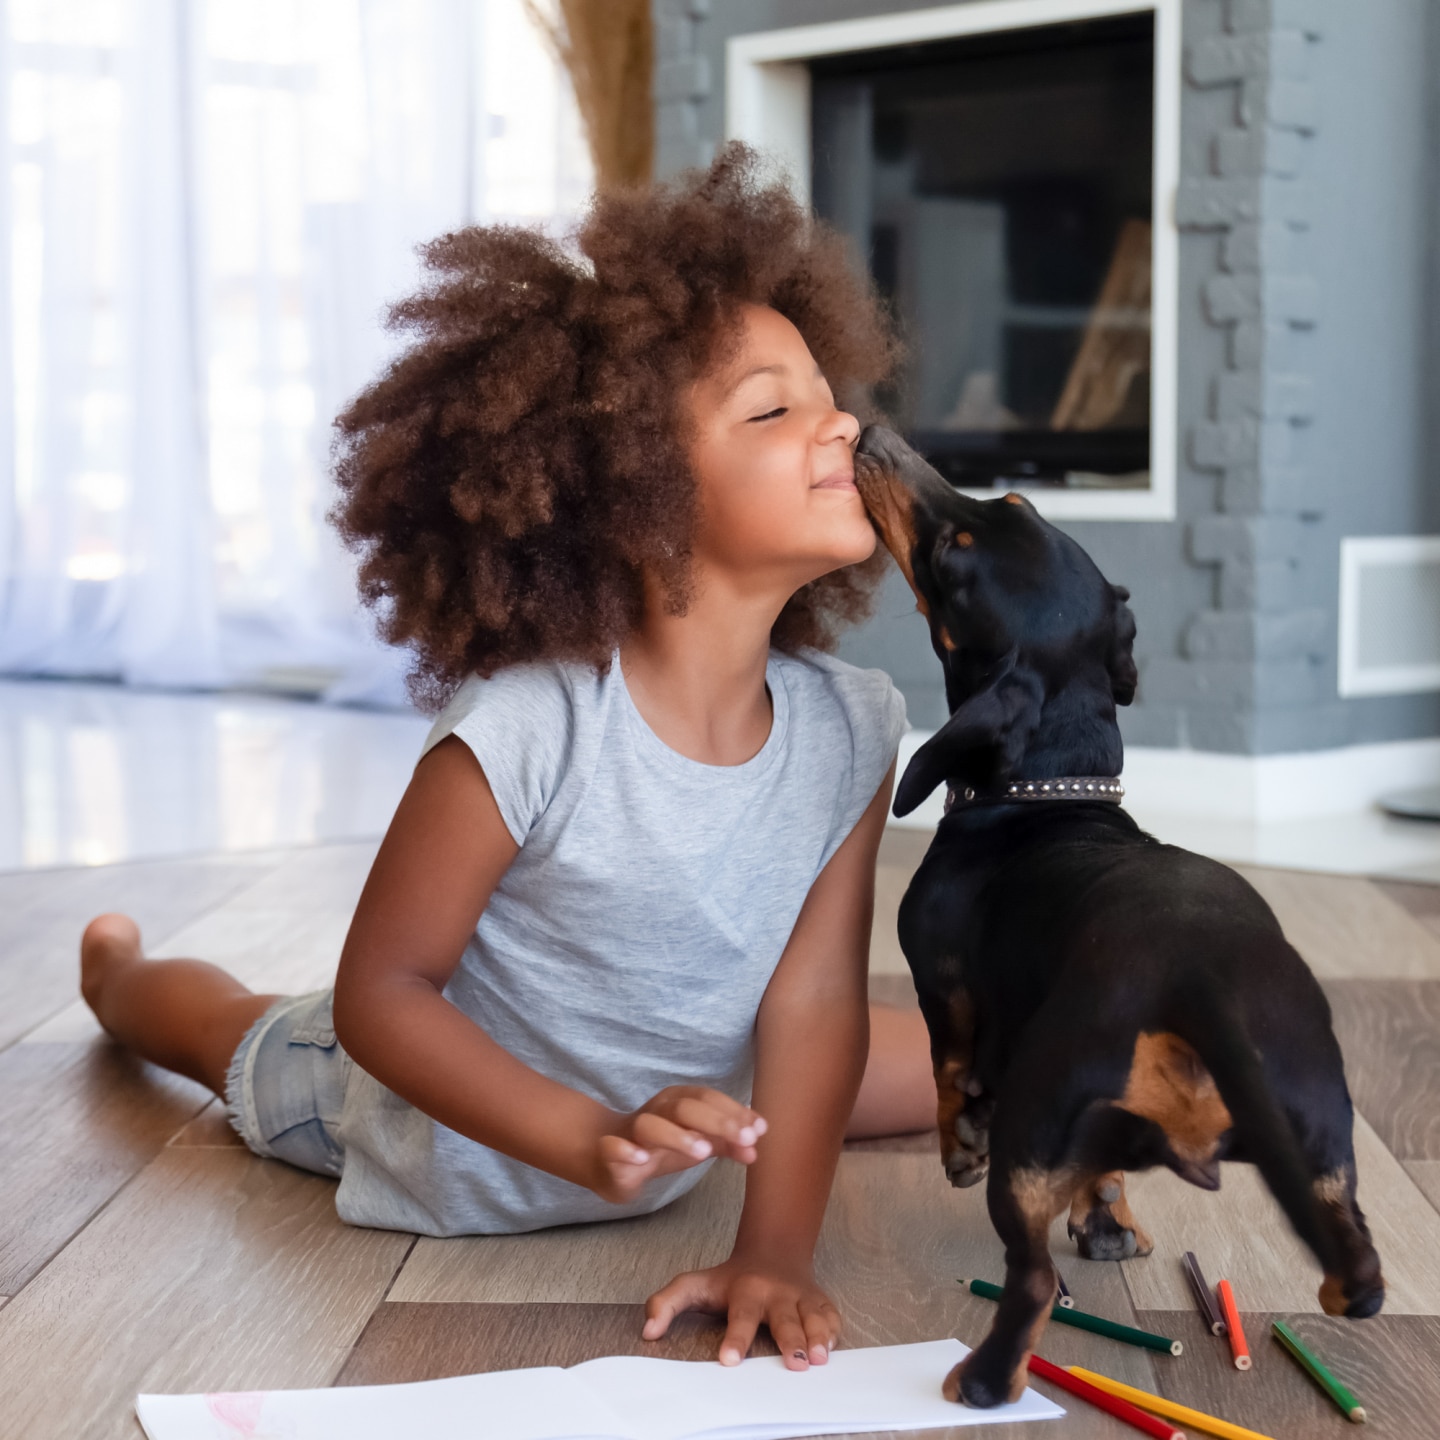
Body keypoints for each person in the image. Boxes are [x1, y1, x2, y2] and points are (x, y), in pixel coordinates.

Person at [79, 144, 934, 1373]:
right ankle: (117, 970)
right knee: (230, 1030)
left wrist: (776, 1254)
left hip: (678, 1108)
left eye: (826, 391)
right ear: (635, 496)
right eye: (772, 407)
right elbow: (383, 995)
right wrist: (585, 1134)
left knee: (920, 1053)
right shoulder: (532, 722)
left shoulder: (853, 723)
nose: (841, 421)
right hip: (431, 1133)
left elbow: (809, 1006)